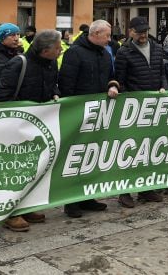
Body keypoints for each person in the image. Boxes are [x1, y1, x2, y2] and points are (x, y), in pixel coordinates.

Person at [0, 30, 61, 231]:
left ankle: (25, 207)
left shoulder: (51, 64)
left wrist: (56, 94)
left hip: (39, 125)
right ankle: (10, 213)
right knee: (15, 171)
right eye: (57, 48)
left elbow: (53, 86)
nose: (60, 51)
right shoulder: (18, 64)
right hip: (16, 126)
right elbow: (3, 96)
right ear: (45, 50)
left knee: (32, 168)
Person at [109, 17, 167, 208]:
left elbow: (162, 73)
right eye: (139, 32)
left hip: (154, 106)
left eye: (145, 31)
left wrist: (163, 87)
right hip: (134, 107)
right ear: (131, 32)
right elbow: (120, 78)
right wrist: (126, 96)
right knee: (130, 150)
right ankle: (124, 191)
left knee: (149, 149)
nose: (143, 35)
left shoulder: (157, 48)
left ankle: (146, 188)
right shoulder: (124, 52)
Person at [58, 21, 114, 218]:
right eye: (106, 36)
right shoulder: (74, 53)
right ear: (96, 33)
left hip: (98, 114)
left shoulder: (105, 54)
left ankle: (87, 196)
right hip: (78, 114)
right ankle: (71, 201)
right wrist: (70, 111)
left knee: (92, 156)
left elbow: (110, 77)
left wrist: (112, 86)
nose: (109, 40)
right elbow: (66, 82)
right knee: (75, 157)